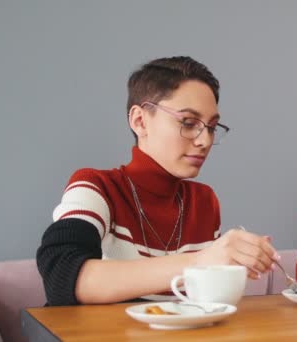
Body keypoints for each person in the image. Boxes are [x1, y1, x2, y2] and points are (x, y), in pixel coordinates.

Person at [37, 56, 279, 306]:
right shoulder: (97, 187)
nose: (204, 141)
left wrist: (234, 263)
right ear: (139, 121)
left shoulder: (203, 200)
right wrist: (201, 261)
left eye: (211, 127)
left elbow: (201, 305)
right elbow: (62, 278)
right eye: (188, 122)